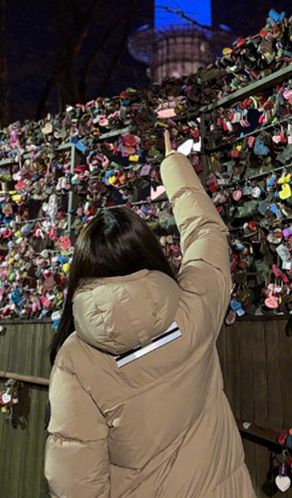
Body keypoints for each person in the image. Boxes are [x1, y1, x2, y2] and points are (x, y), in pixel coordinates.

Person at [45, 131, 256, 498]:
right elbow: (205, 231)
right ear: (150, 254)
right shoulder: (194, 304)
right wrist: (173, 163)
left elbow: (76, 483)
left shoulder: (77, 360)